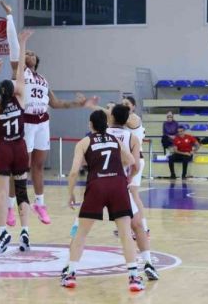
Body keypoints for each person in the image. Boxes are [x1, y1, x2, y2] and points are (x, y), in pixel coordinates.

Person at [0, 0, 88, 226]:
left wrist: (77, 104)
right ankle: (10, 207)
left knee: (38, 166)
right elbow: (13, 47)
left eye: (31, 53)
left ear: (37, 60)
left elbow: (56, 104)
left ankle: (40, 203)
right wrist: (9, 17)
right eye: (26, 52)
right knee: (20, 168)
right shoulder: (20, 73)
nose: (28, 54)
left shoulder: (43, 79)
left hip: (42, 122)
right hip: (26, 121)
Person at [61, 110, 144, 291]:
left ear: (90, 125)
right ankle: (134, 278)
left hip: (97, 185)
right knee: (125, 234)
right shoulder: (115, 140)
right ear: (106, 124)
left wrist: (70, 193)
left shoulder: (84, 142)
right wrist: (122, 170)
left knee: (81, 233)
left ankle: (71, 275)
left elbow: (74, 172)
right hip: (117, 185)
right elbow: (131, 161)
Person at [0, 30, 33, 254]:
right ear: (14, 90)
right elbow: (20, 72)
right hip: (19, 147)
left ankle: (2, 232)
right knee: (21, 190)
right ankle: (25, 231)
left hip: (2, 148)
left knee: (2, 193)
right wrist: (22, 43)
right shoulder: (21, 99)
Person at [105, 105, 158, 281]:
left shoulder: (99, 134)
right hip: (120, 185)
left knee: (81, 229)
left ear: (111, 117)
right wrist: (129, 178)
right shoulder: (131, 137)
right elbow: (134, 164)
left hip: (98, 185)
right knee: (136, 227)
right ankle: (146, 264)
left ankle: (70, 269)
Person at [122, 96, 150, 235]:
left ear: (133, 106)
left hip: (136, 159)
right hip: (128, 160)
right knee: (127, 194)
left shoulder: (134, 119)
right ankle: (131, 225)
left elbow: (117, 118)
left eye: (127, 104)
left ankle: (143, 227)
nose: (124, 106)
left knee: (133, 194)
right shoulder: (124, 119)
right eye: (122, 104)